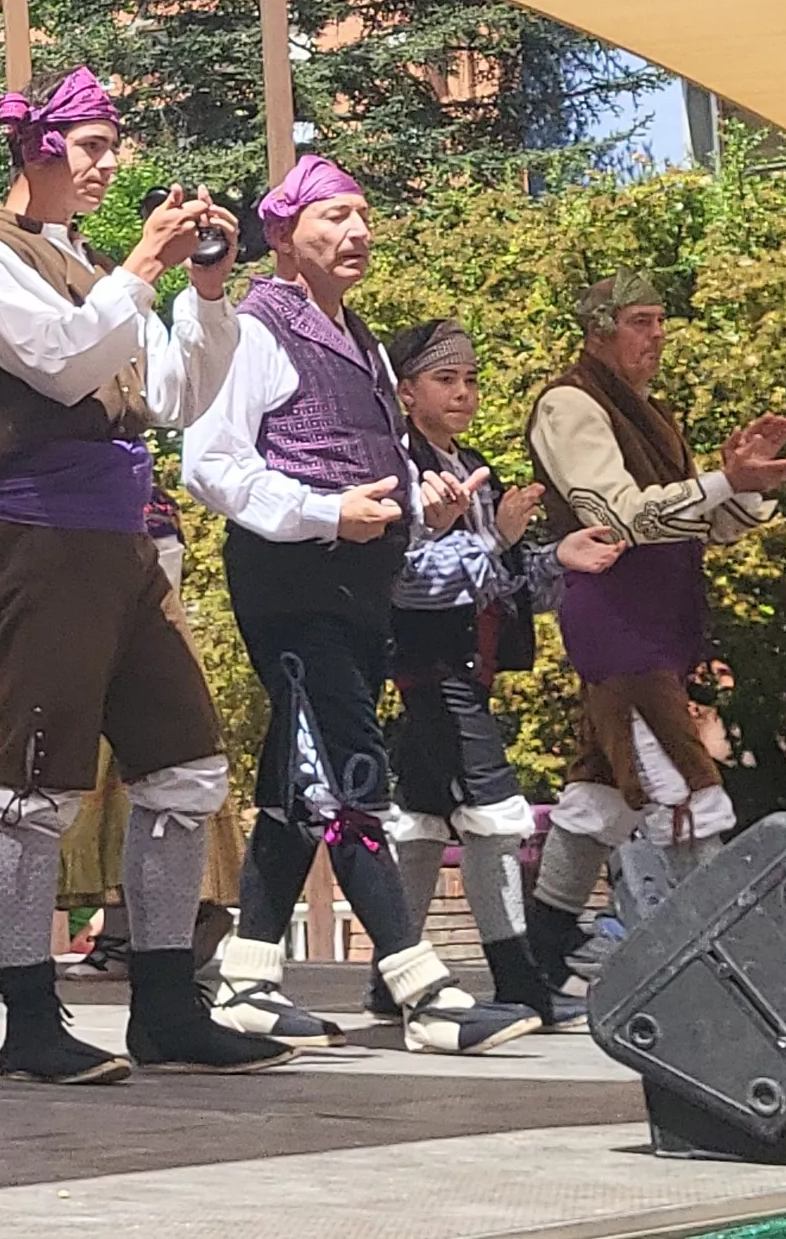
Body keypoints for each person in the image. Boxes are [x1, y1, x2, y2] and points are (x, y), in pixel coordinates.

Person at [0, 65, 281, 1083]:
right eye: (91, 145)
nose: (108, 164)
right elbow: (59, 365)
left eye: (110, 145)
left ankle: (166, 1004)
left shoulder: (88, 263)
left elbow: (171, 394)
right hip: (39, 540)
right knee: (36, 788)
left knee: (183, 772)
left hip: (124, 540)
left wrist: (204, 290)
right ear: (36, 148)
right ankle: (28, 1021)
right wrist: (139, 264)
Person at [181, 155, 539, 1056]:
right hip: (291, 588)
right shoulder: (254, 326)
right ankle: (425, 992)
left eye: (362, 215)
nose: (355, 232)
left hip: (357, 591)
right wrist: (318, 512)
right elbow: (212, 464)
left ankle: (247, 977)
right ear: (280, 235)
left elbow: (365, 478)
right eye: (332, 216)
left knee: (296, 788)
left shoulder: (367, 341)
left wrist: (426, 510)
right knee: (349, 779)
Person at [519, 272, 786, 994]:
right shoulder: (567, 404)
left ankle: (541, 950)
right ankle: (716, 966)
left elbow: (705, 524)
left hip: (657, 628)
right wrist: (717, 483)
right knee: (683, 787)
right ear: (598, 328)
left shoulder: (650, 413)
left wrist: (746, 486)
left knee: (598, 797)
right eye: (640, 321)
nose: (656, 335)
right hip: (620, 630)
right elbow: (614, 515)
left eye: (659, 320)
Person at [377, 318, 619, 1033]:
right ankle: (518, 979)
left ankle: (387, 974)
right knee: (492, 818)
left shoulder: (477, 465)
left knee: (421, 822)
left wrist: (554, 559)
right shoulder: (400, 471)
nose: (462, 393)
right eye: (445, 379)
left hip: (469, 665)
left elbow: (503, 584)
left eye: (470, 380)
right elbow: (412, 581)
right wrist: (498, 537)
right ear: (405, 389)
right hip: (425, 665)